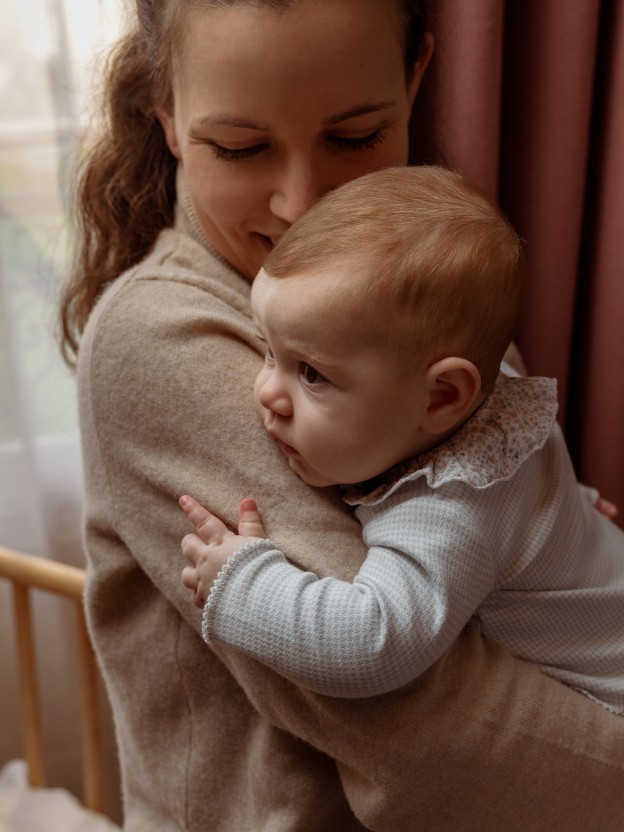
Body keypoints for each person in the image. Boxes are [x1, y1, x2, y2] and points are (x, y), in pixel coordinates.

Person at [58, 0, 624, 829]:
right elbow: (414, 709)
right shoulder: (160, 336)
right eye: (243, 147)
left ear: (416, 78)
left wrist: (551, 534)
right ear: (168, 117)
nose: (300, 203)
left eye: (355, 136)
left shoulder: (424, 277)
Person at [178, 165, 624, 715]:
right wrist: (570, 513)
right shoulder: (500, 404)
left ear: (441, 398)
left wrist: (243, 586)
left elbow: (371, 645)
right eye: (269, 350)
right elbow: (537, 479)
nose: (268, 391)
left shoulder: (450, 508)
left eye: (312, 373)